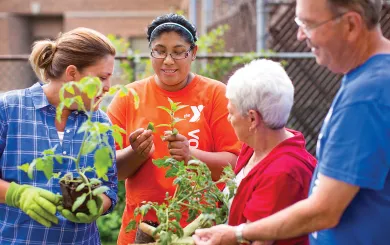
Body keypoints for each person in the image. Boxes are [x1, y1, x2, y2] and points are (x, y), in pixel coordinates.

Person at [193, 0, 390, 245]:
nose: (299, 35)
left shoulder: (367, 96)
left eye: (308, 24)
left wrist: (238, 233)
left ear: (351, 24)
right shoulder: (369, 80)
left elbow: (324, 210)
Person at [107, 13, 241, 244]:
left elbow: (236, 164)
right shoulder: (128, 97)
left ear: (193, 53)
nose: (168, 60)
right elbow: (111, 171)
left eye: (179, 52)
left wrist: (191, 156)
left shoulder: (216, 95)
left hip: (199, 230)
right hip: (141, 230)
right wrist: (135, 153)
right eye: (159, 51)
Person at [0, 27, 118, 244]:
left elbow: (109, 186)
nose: (108, 87)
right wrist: (16, 194)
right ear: (72, 73)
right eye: (102, 77)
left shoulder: (99, 123)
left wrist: (97, 204)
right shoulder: (9, 109)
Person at [221, 59, 316, 245]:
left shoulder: (283, 172)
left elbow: (257, 241)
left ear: (252, 118)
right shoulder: (254, 146)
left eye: (231, 112)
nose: (228, 118)